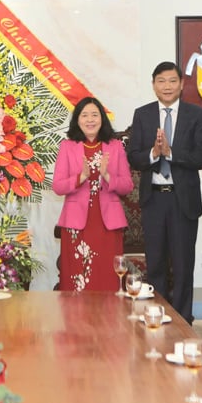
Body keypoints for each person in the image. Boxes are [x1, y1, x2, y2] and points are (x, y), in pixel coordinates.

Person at [128, 61, 202, 323]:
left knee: (184, 263)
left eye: (172, 80)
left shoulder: (196, 115)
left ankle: (184, 320)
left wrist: (171, 154)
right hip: (154, 199)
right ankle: (157, 315)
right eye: (161, 81)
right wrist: (154, 153)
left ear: (181, 84)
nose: (167, 86)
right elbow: (133, 156)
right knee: (156, 263)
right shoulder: (142, 114)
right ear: (153, 85)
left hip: (182, 199)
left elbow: (201, 157)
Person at [52, 97, 134, 291]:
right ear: (77, 120)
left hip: (108, 225)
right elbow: (58, 186)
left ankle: (108, 320)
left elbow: (127, 185)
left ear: (102, 119)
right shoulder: (68, 146)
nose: (90, 120)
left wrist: (107, 175)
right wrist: (80, 178)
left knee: (106, 278)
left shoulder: (114, 146)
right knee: (76, 280)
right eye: (85, 115)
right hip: (77, 224)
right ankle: (75, 321)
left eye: (95, 115)